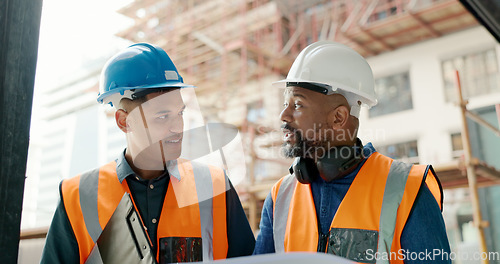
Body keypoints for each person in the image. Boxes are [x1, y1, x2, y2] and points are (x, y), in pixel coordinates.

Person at [40, 43, 255, 263]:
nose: (177, 127)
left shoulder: (215, 186)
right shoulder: (77, 196)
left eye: (179, 113)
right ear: (124, 122)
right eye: (162, 117)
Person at [253, 41, 451, 264]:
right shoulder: (280, 197)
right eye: (285, 103)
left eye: (297, 104)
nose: (283, 115)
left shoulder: (408, 189)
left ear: (338, 118)